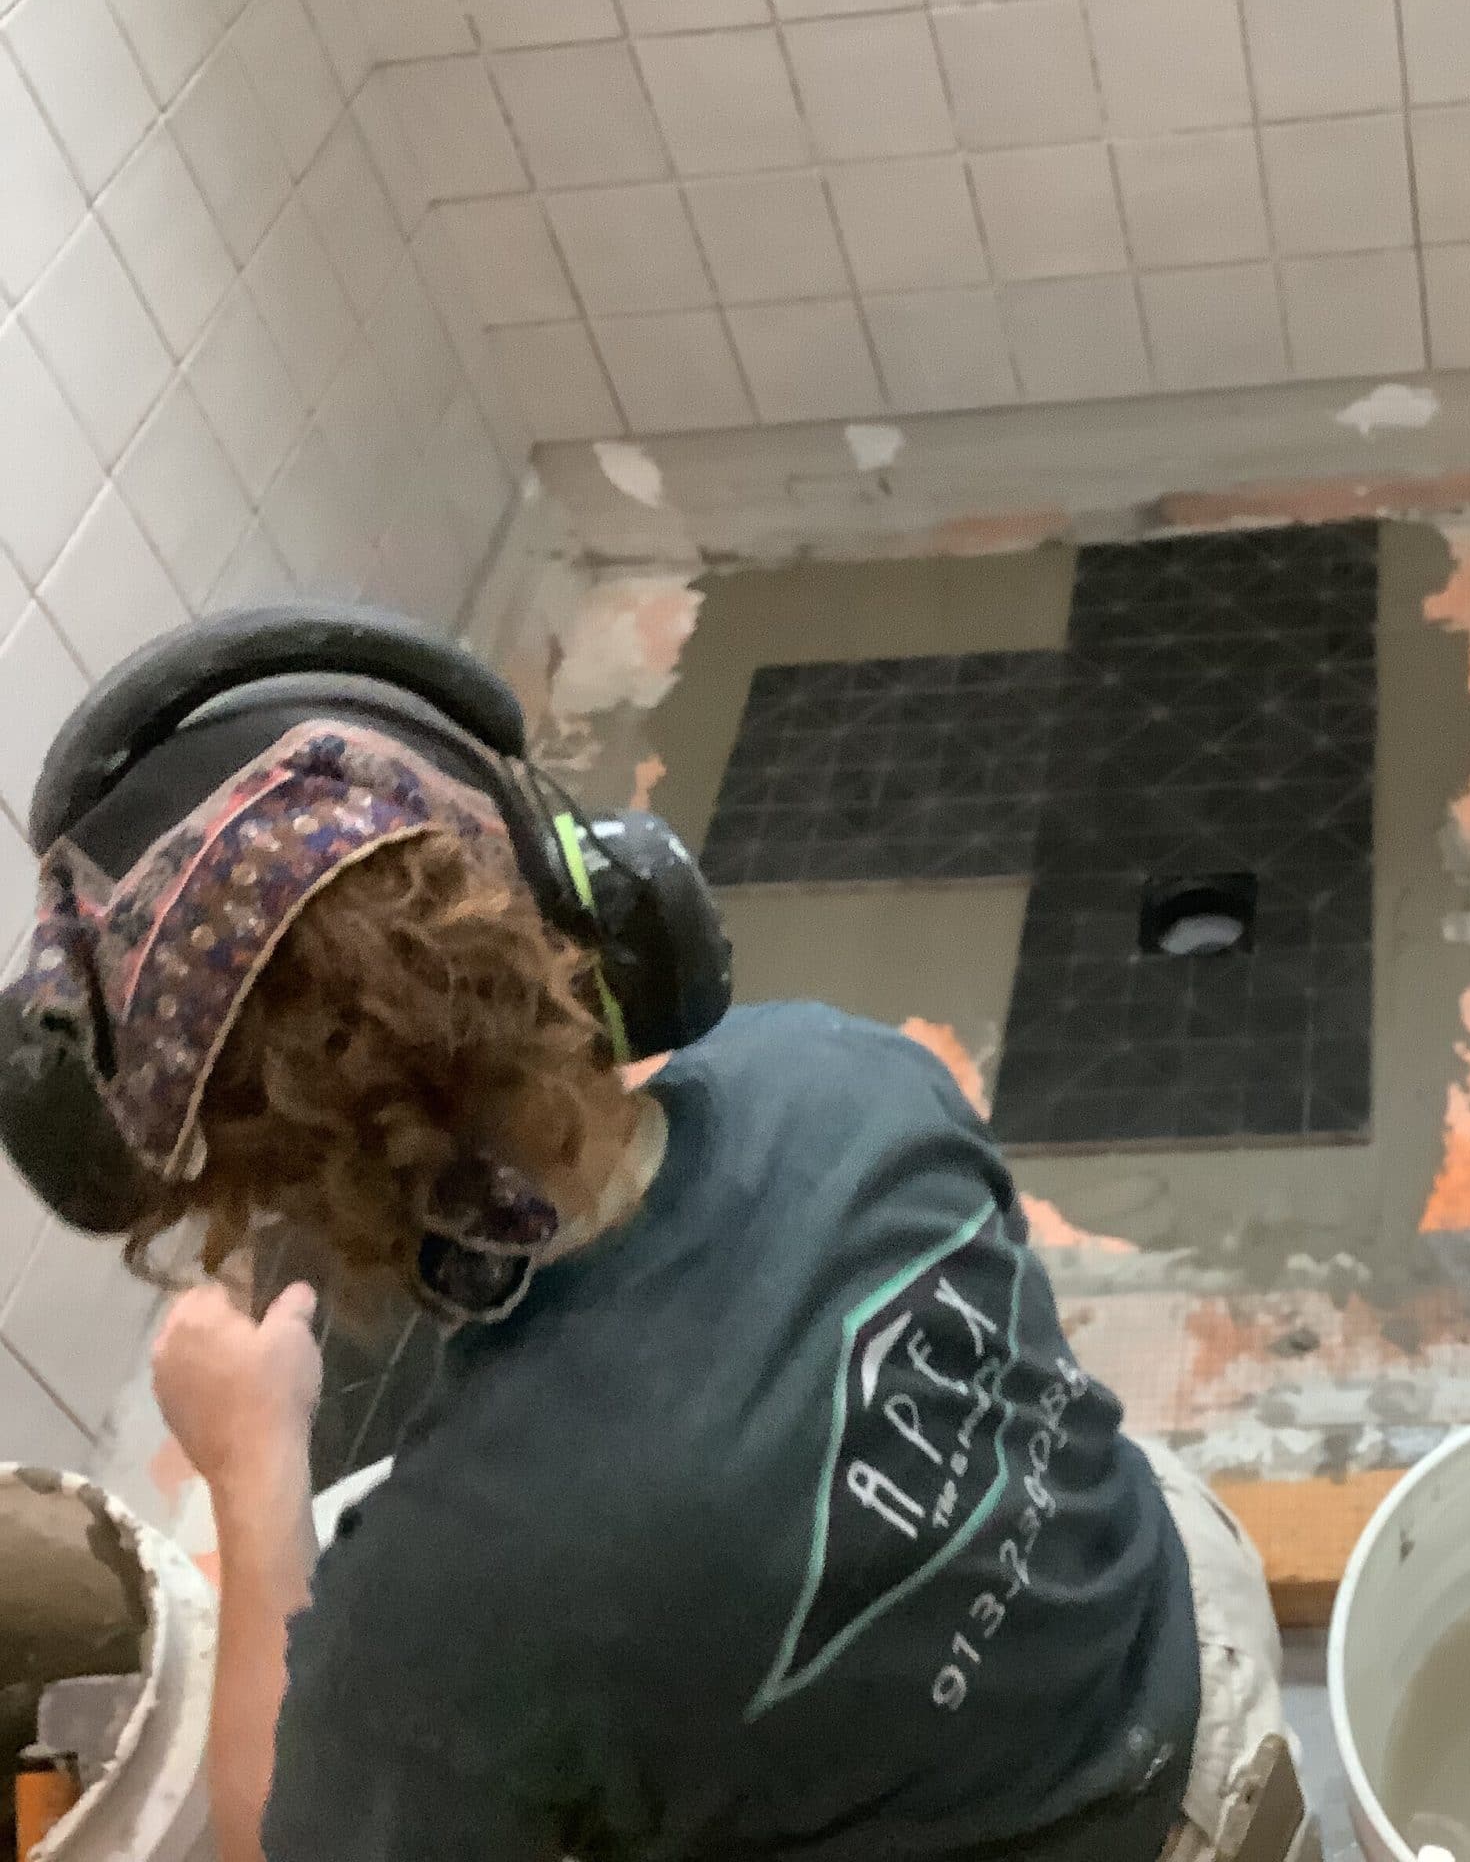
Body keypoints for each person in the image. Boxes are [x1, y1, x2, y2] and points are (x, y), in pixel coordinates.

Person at [3, 612, 1287, 1862]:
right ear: (572, 894)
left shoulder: (464, 1589)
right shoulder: (846, 1069)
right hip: (1193, 1669)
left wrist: (252, 1464)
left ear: (277, 1200)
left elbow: (276, 1845)